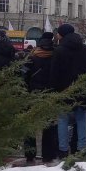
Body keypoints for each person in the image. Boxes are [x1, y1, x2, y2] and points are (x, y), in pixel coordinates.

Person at [51, 24, 86, 157]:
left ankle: (63, 149)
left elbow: (55, 73)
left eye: (58, 33)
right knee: (82, 120)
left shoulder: (59, 50)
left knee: (63, 120)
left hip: (64, 91)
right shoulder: (85, 49)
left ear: (62, 34)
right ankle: (82, 149)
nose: (57, 35)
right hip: (82, 90)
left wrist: (55, 91)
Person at [24, 31, 58, 162]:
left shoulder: (32, 57)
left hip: (33, 94)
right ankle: (48, 155)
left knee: (30, 125)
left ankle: (29, 154)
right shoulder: (55, 57)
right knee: (49, 125)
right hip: (50, 95)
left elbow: (24, 76)